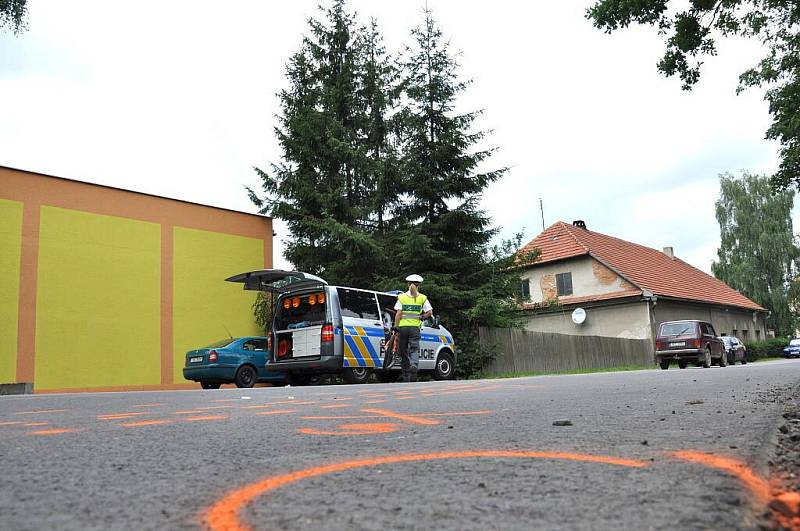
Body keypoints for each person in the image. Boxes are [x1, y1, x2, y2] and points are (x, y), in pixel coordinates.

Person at [393, 274, 433, 382]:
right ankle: (414, 365)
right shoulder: (422, 298)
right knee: (414, 348)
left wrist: (395, 327)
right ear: (419, 285)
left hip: (403, 328)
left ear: (407, 284)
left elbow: (398, 313)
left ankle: (406, 374)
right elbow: (429, 312)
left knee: (403, 351)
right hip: (415, 328)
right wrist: (421, 317)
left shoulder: (402, 297)